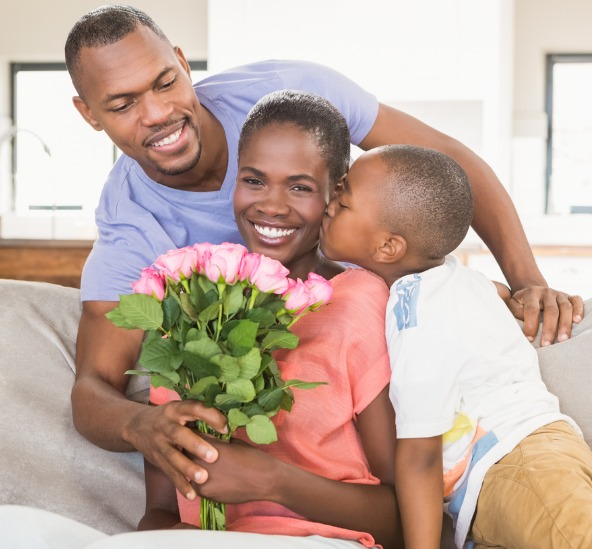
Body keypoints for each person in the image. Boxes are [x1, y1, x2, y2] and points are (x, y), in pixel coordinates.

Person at [65, 4, 583, 502]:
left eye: (165, 81)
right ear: (87, 115)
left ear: (181, 60)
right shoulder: (130, 224)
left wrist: (526, 279)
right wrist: (138, 424)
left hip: (388, 319)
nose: (158, 113)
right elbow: (93, 387)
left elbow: (448, 165)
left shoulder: (287, 92)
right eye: (122, 104)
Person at [319, 145, 592, 549]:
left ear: (388, 247)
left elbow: (420, 453)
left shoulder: (415, 309)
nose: (328, 205)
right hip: (515, 472)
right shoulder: (458, 279)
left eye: (343, 202)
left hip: (518, 465)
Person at [141, 90, 400, 547]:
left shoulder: (359, 301)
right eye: (255, 181)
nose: (272, 206)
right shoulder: (190, 301)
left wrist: (274, 481)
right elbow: (158, 513)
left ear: (334, 193)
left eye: (300, 187)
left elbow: (405, 515)